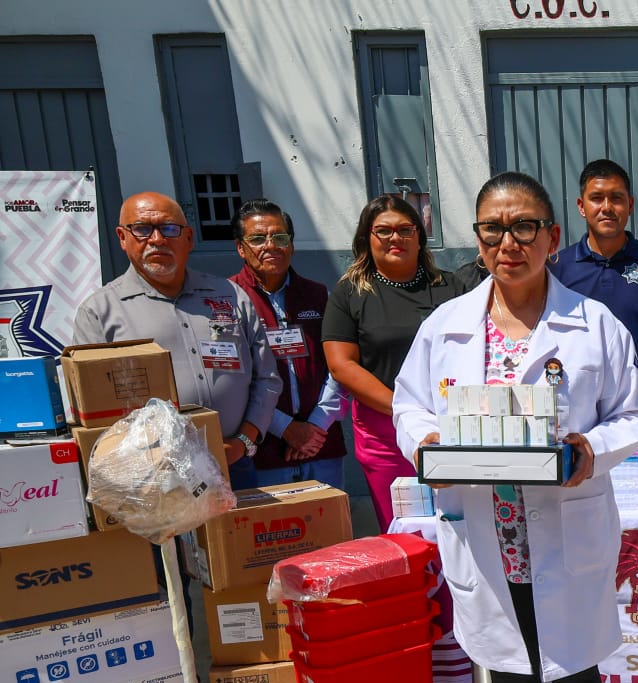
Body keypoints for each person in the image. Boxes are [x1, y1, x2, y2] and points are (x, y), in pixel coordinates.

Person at [393, 172, 638, 683]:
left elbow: (636, 417)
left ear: (552, 236)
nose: (508, 242)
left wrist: (589, 449)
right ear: (477, 240)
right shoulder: (444, 327)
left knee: (569, 658)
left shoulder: (595, 325)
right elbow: (409, 406)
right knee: (505, 655)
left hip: (565, 519)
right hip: (485, 524)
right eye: (492, 229)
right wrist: (424, 443)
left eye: (523, 227)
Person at [73, 191, 281, 490]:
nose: (157, 239)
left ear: (189, 238)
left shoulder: (230, 296)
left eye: (169, 229)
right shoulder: (100, 312)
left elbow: (267, 379)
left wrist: (243, 442)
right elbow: (94, 411)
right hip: (154, 479)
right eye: (142, 228)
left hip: (234, 466)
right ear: (122, 237)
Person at [323, 195, 465, 528]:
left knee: (457, 526)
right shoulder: (350, 293)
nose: (395, 238)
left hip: (450, 427)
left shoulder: (451, 287)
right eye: (383, 231)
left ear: (419, 235)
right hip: (384, 433)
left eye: (405, 229)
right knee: (406, 530)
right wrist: (404, 408)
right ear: (366, 238)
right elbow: (341, 365)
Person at [227, 199, 347, 488]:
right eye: (257, 239)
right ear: (241, 248)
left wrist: (317, 424)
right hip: (263, 449)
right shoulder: (228, 299)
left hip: (321, 445)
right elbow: (231, 381)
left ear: (291, 245)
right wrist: (286, 428)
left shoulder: (318, 294)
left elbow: (340, 366)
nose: (271, 246)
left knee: (333, 530)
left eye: (280, 237)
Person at [549, 159, 638, 374]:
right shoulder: (558, 267)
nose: (607, 207)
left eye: (616, 198)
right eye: (596, 198)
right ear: (581, 207)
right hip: (579, 397)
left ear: (630, 205)